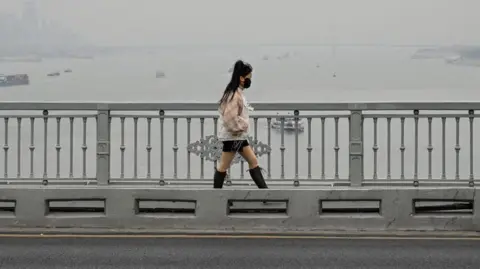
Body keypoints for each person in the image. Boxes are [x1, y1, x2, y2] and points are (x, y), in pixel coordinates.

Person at [213, 60, 268, 189]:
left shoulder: (235, 92)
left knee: (253, 161)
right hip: (233, 136)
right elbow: (230, 118)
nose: (250, 81)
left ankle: (265, 193)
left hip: (237, 137)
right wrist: (243, 125)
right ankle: (215, 196)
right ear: (241, 78)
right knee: (223, 166)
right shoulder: (234, 95)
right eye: (249, 78)